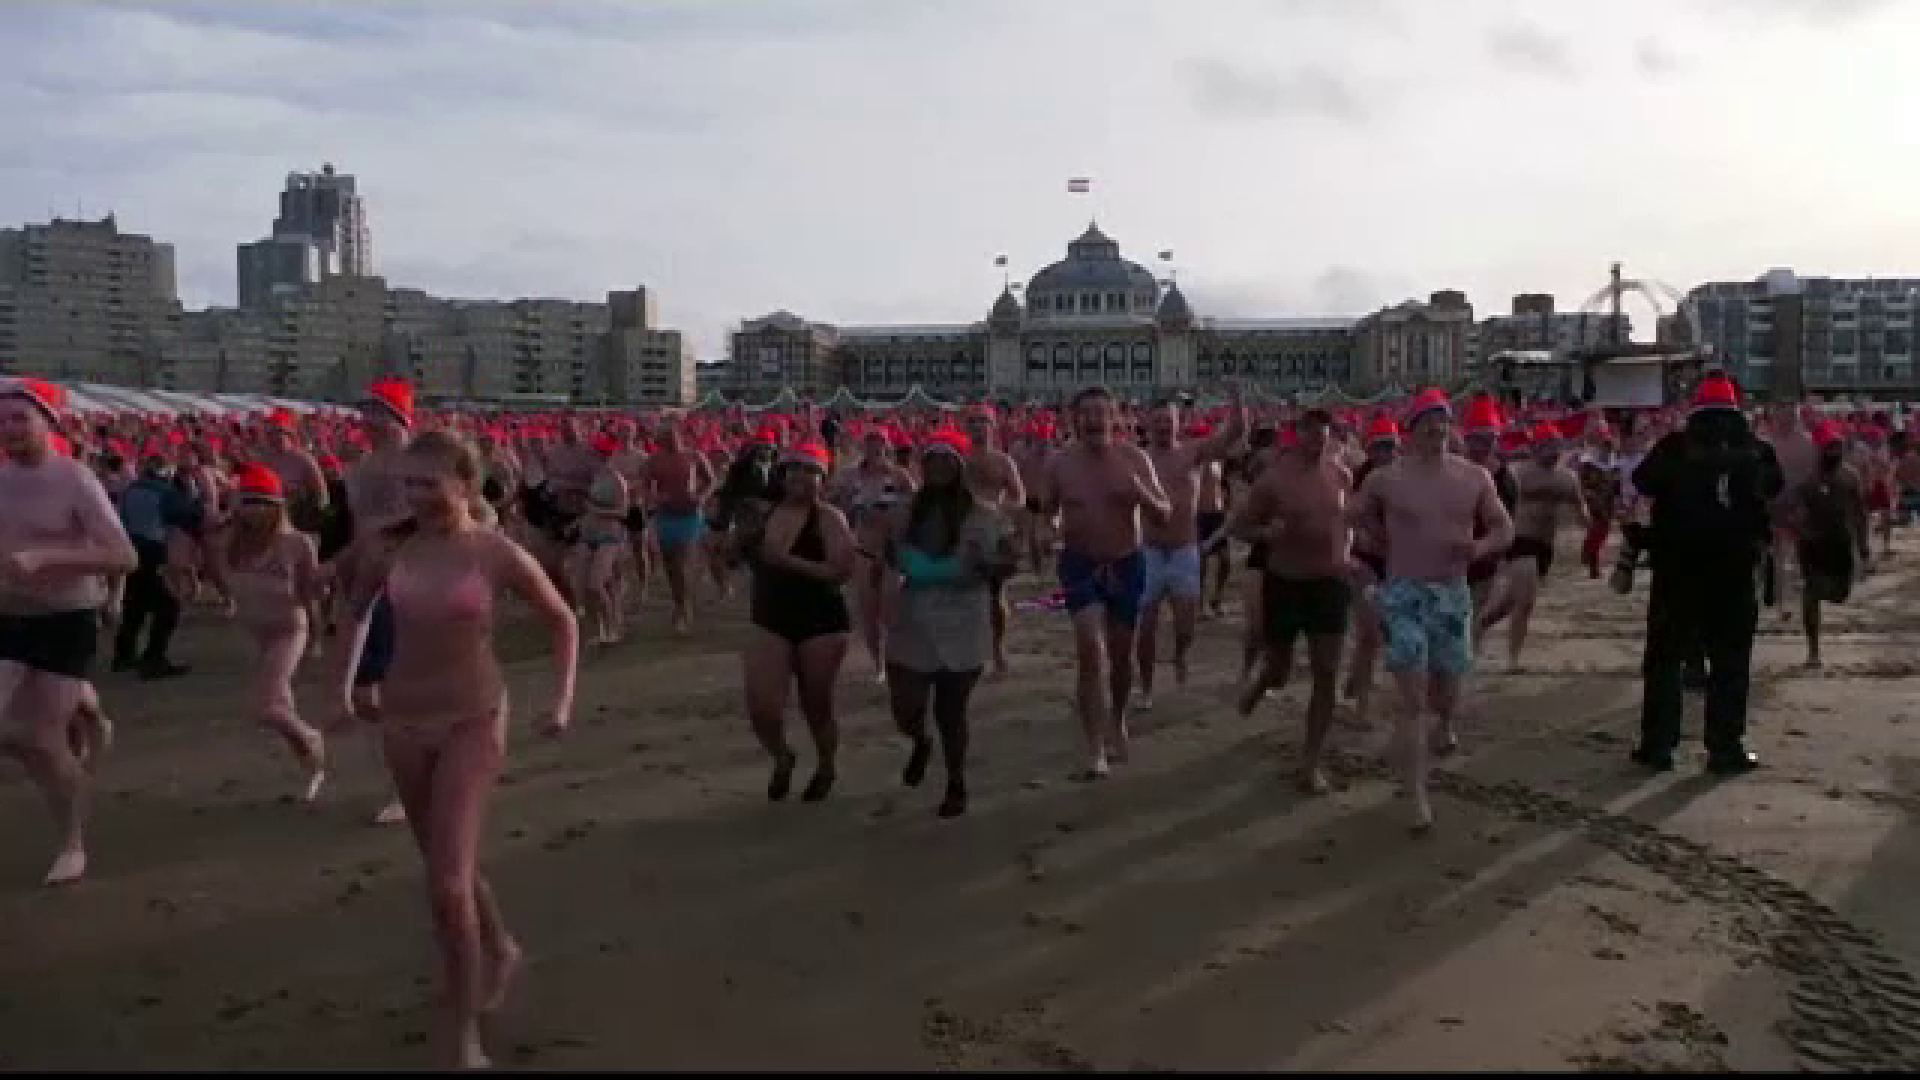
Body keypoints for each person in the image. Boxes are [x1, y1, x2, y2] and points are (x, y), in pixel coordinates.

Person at [333, 430, 576, 1070]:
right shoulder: (392, 549)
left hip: (473, 717)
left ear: (466, 485)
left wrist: (561, 701)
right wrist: (347, 687)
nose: (417, 496)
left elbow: (561, 621)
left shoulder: (496, 554)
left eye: (429, 484)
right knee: (450, 868)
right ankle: (501, 947)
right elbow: (353, 616)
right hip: (403, 721)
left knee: (445, 883)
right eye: (408, 484)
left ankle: (462, 1028)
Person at [1350, 389, 1513, 831]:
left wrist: (1479, 546)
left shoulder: (1474, 477)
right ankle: (1417, 795)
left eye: (1443, 422)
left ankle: (1444, 722)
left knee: (1445, 695)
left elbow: (1503, 527)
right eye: (1428, 422)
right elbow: (1351, 517)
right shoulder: (1385, 480)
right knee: (1412, 701)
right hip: (1403, 594)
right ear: (1412, 430)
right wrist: (1369, 551)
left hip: (1452, 594)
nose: (1437, 430)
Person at [0, 379, 138, 885]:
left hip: (66, 620)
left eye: (20, 418)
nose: (8, 429)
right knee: (11, 732)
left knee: (38, 737)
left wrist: (47, 557)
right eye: (2, 419)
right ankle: (83, 705)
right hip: (9, 618)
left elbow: (125, 556)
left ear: (48, 423)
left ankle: (72, 841)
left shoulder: (75, 480)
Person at [1631, 373, 1780, 776]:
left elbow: (1641, 481)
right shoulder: (1755, 451)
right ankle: (1724, 747)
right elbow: (1776, 488)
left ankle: (1658, 745)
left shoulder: (1673, 448)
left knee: (1665, 659)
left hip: (1676, 570)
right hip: (1733, 571)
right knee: (1730, 662)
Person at [1034, 386, 1173, 780]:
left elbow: (1164, 513)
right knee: (1090, 653)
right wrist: (1048, 530)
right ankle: (1094, 747)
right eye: (1086, 414)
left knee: (1121, 656)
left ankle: (1117, 717)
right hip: (1080, 565)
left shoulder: (1134, 459)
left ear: (1116, 417)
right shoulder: (1060, 465)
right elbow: (1047, 512)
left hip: (1127, 563)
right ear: (1074, 420)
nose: (1095, 421)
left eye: (1102, 413)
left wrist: (1141, 494)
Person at [885, 428, 1016, 817]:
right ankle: (920, 740)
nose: (939, 467)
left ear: (960, 467)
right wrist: (896, 555)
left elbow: (1010, 562)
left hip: (965, 619)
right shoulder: (906, 511)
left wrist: (986, 565)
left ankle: (956, 782)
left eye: (947, 461)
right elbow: (889, 556)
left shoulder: (986, 515)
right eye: (932, 461)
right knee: (905, 706)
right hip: (914, 618)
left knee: (951, 710)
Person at [1230, 405, 1353, 793]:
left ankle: (1310, 763)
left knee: (1327, 672)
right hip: (1285, 582)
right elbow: (1241, 527)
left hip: (1329, 583)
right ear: (1296, 434)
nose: (1317, 438)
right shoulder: (1273, 481)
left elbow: (1343, 521)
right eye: (1309, 431)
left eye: (1323, 431)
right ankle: (1262, 681)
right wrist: (1267, 534)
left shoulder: (1340, 474)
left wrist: (1349, 552)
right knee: (1280, 670)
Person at [206, 463, 327, 800]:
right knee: (280, 707)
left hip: (290, 628)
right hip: (255, 630)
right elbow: (216, 563)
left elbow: (309, 595)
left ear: (276, 506)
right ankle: (310, 763)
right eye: (247, 501)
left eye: (260, 502)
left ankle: (311, 738)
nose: (252, 509)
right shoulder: (233, 543)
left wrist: (316, 638)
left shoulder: (297, 544)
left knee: (265, 707)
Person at [742, 440, 855, 802]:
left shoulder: (830, 519)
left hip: (821, 618)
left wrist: (789, 561)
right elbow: (739, 556)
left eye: (810, 472)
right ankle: (782, 757)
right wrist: (729, 545)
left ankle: (826, 764)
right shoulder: (764, 513)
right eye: (793, 471)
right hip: (770, 615)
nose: (800, 479)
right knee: (762, 708)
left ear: (823, 479)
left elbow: (841, 571)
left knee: (816, 703)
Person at [335, 377, 419, 826]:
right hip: (371, 589)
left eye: (374, 410)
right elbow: (360, 532)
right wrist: (337, 569)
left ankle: (406, 784)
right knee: (366, 695)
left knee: (398, 690)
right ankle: (409, 773)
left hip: (414, 587)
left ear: (396, 417)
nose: (365, 419)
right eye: (364, 410)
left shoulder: (420, 466)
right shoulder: (362, 471)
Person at [1136, 392, 1244, 709]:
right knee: (1145, 627)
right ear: (1147, 425)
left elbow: (1232, 435)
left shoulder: (1192, 453)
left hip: (1184, 550)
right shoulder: (1138, 458)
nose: (1163, 427)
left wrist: (1237, 400)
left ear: (1177, 424)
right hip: (1149, 552)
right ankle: (1145, 687)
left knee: (1186, 625)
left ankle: (1180, 655)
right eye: (1157, 422)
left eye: (1168, 421)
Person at [1478, 420, 1589, 671]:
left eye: (1556, 445)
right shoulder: (1517, 473)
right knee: (1526, 601)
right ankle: (1512, 660)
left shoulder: (1566, 478)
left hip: (1543, 545)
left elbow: (1579, 504)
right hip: (1517, 540)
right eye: (1547, 445)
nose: (1553, 451)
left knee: (1510, 603)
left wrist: (1587, 524)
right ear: (1535, 447)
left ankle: (1479, 626)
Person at [836, 429, 915, 682]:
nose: (875, 448)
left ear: (887, 446)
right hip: (864, 552)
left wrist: (896, 519)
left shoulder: (900, 476)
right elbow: (840, 511)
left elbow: (916, 508)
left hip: (892, 551)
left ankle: (897, 660)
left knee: (892, 610)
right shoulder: (851, 477)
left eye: (879, 443)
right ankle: (879, 664)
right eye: (870, 443)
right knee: (868, 615)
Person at [110, 454, 199, 679]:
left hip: (131, 548)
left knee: (134, 606)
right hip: (155, 549)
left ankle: (124, 655)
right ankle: (154, 659)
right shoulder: (165, 492)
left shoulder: (130, 490)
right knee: (168, 606)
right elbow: (188, 516)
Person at [1789, 423, 1870, 669]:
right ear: (1820, 448)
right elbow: (1796, 513)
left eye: (1837, 445)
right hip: (1814, 546)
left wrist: (1863, 544)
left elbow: (1860, 513)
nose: (1834, 450)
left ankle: (1815, 593)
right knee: (1811, 594)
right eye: (1829, 446)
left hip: (1840, 544)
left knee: (1840, 594)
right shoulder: (1808, 480)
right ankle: (1813, 651)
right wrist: (1802, 531)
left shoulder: (1850, 476)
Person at [962, 408, 1026, 677]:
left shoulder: (1003, 461)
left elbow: (1019, 496)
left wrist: (998, 509)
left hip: (994, 531)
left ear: (992, 426)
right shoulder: (959, 461)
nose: (978, 428)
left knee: (994, 596)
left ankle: (997, 650)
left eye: (983, 422)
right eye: (973, 423)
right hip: (964, 533)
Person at [640, 424, 715, 635]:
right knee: (670, 565)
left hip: (690, 516)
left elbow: (711, 480)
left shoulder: (694, 456)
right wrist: (654, 497)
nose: (673, 440)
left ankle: (684, 609)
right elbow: (645, 485)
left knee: (682, 564)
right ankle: (679, 602)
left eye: (675, 436)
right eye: (667, 437)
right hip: (666, 515)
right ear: (661, 440)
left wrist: (701, 496)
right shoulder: (654, 460)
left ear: (680, 436)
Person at [570, 435, 631, 647]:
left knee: (596, 584)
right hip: (589, 533)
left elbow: (623, 511)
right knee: (584, 586)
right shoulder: (595, 477)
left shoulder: (617, 480)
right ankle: (600, 630)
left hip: (609, 536)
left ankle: (613, 626)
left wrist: (596, 510)